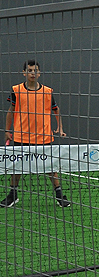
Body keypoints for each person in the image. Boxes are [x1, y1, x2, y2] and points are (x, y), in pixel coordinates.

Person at [2, 60, 70, 208]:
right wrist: (8, 131)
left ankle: (59, 196)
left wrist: (60, 127)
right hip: (21, 136)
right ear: (24, 73)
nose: (32, 73)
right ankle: (12, 196)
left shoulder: (47, 91)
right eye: (30, 70)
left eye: (35, 70)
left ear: (39, 73)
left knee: (50, 167)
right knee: (17, 166)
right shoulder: (17, 90)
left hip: (43, 136)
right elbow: (10, 111)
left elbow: (56, 109)